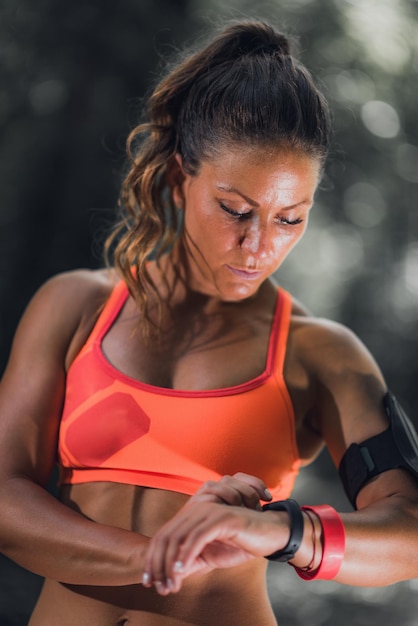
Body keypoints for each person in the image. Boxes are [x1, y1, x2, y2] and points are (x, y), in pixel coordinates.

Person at [0, 18, 417, 626]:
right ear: (178, 178)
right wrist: (156, 556)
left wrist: (277, 530)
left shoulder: (319, 355)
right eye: (236, 210)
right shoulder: (73, 309)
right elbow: (5, 501)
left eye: (289, 219)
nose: (259, 247)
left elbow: (409, 532)